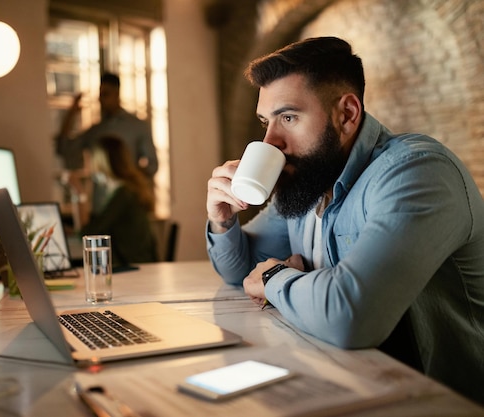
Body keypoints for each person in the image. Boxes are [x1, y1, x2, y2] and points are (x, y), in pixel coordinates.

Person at [205, 36, 484, 404]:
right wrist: (222, 220)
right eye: (265, 121)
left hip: (440, 401)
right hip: (350, 383)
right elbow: (240, 270)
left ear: (347, 114)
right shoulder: (309, 180)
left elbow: (350, 317)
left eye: (288, 117)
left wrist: (275, 277)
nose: (271, 140)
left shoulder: (416, 172)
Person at [55, 72, 158, 192]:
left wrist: (131, 180)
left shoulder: (136, 126)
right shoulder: (97, 131)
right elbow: (65, 148)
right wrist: (71, 114)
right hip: (101, 199)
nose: (101, 100)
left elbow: (152, 165)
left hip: (128, 195)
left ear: (117, 94)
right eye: (100, 95)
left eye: (106, 94)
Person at [78, 135, 158, 266]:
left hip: (133, 266)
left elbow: (88, 234)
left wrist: (80, 194)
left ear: (100, 161)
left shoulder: (123, 195)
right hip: (138, 263)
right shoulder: (127, 190)